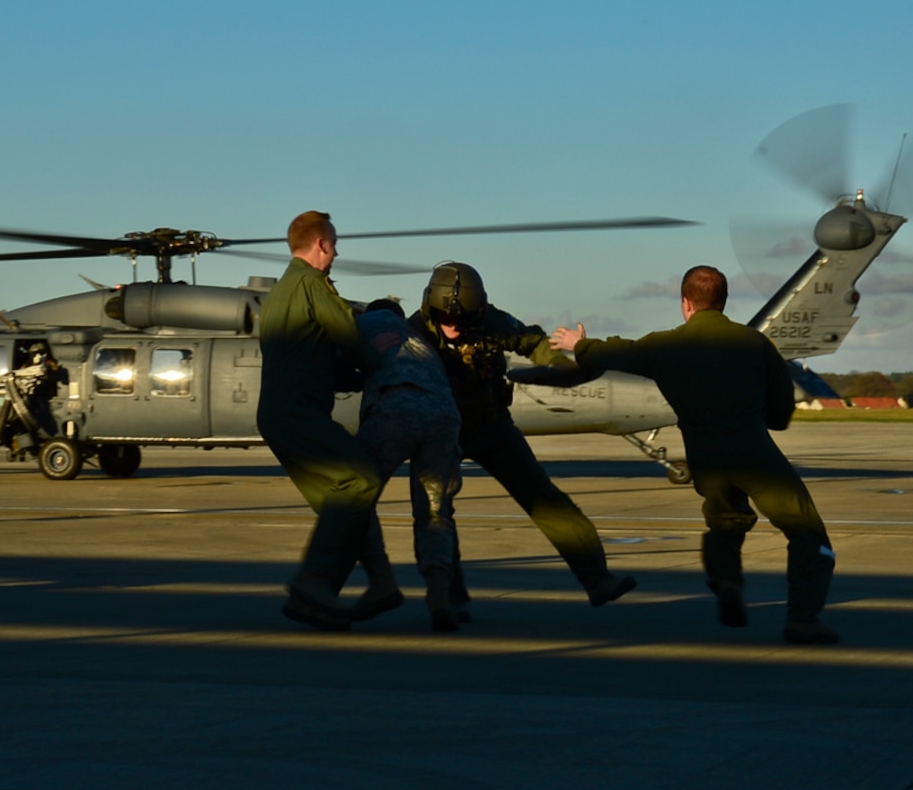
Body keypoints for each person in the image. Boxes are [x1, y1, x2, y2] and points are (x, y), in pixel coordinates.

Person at [552, 266, 839, 644]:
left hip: (706, 458)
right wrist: (767, 422)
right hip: (754, 453)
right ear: (723, 302)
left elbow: (619, 352)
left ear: (686, 304)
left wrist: (580, 344)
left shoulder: (664, 345)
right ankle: (803, 619)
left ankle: (726, 583)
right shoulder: (752, 343)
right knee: (807, 532)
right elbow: (781, 406)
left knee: (725, 523)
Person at [410, 261, 634, 616]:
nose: (451, 324)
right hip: (437, 432)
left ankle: (597, 579)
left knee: (544, 497)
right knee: (434, 514)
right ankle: (446, 594)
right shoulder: (412, 333)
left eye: (461, 317)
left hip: (490, 425)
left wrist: (565, 366)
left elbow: (534, 343)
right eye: (442, 315)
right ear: (428, 305)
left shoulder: (492, 321)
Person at [257, 211, 401, 631]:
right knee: (360, 481)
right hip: (298, 413)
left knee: (345, 502)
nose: (336, 252)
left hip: (281, 415)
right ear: (321, 244)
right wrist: (379, 362)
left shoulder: (282, 293)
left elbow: (308, 356)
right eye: (334, 243)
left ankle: (376, 584)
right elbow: (349, 336)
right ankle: (314, 584)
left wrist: (349, 377)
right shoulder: (311, 284)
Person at [352, 297, 465, 632]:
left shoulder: (365, 325)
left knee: (352, 494)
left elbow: (344, 365)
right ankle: (439, 596)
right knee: (435, 511)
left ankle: (379, 579)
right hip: (445, 416)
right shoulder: (419, 339)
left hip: (396, 409)